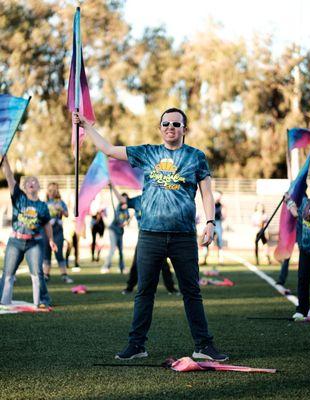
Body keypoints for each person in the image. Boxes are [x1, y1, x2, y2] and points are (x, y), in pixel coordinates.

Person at [73, 107, 228, 362]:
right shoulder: (148, 152)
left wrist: (210, 222)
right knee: (144, 291)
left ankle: (203, 345)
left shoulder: (196, 157)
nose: (170, 127)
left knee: (191, 292)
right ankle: (137, 345)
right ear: (160, 128)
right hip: (150, 235)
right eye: (166, 123)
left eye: (176, 124)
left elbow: (207, 193)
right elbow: (109, 150)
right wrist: (86, 126)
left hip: (182, 236)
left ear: (184, 130)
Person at [0, 156, 57, 307]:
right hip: (15, 241)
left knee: (38, 274)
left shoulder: (42, 206)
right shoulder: (18, 197)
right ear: (24, 187)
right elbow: (10, 177)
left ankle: (43, 301)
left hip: (34, 243)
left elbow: (47, 225)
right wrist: (5, 160)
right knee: (7, 273)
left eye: (35, 181)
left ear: (38, 187)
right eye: (28, 182)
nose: (32, 183)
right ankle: (3, 301)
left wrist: (51, 240)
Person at [121, 195, 179, 295]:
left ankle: (171, 288)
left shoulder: (157, 197)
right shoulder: (137, 200)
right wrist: (112, 185)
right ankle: (129, 287)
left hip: (157, 234)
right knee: (136, 263)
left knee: (163, 264)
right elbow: (123, 200)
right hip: (143, 236)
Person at [285, 175, 310, 319]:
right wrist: (288, 201)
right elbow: (296, 214)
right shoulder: (306, 203)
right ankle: (302, 309)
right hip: (306, 249)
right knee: (303, 280)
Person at [43, 182, 73, 284]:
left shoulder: (61, 202)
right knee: (46, 254)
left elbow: (67, 214)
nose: (52, 192)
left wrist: (61, 210)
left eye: (55, 190)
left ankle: (64, 275)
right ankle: (46, 275)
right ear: (47, 191)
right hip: (46, 231)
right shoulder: (44, 203)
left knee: (59, 253)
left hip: (57, 230)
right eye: (50, 190)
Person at [100, 185, 130, 274]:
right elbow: (118, 218)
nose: (124, 201)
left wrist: (126, 222)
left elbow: (127, 220)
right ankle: (105, 266)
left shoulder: (127, 209)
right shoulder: (118, 207)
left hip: (120, 232)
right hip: (113, 230)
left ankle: (122, 267)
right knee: (112, 249)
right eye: (122, 198)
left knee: (121, 251)